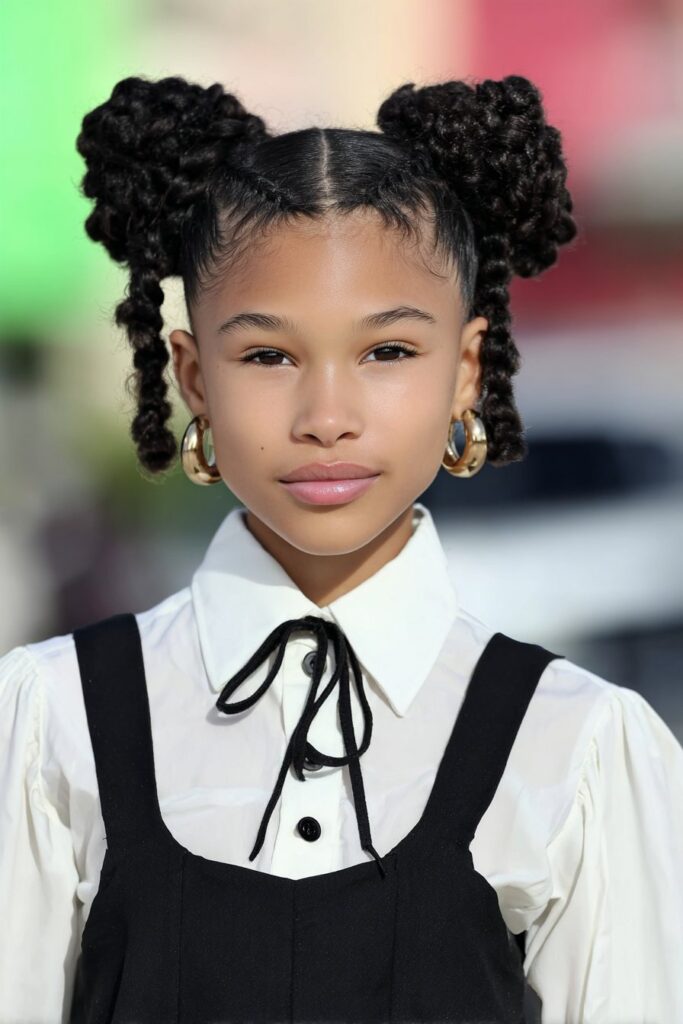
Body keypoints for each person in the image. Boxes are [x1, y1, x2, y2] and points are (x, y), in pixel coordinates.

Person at [0, 72, 681, 1024]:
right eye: (268, 356)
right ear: (193, 378)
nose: (327, 417)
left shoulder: (579, 744)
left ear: (465, 370)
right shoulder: (47, 719)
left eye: (388, 353)